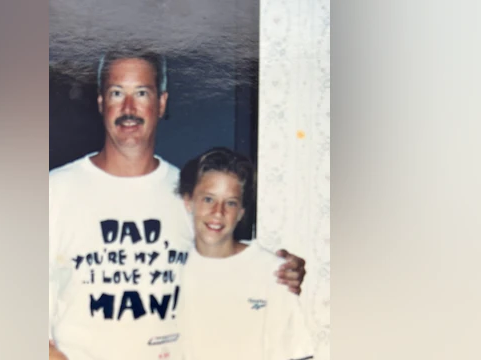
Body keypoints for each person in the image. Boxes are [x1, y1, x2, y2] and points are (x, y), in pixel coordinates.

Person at [49, 46, 307, 360]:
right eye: (117, 93)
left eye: (142, 93)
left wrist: (279, 271)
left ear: (161, 103)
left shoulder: (191, 196)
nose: (129, 107)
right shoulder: (55, 190)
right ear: (102, 103)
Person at [177, 147, 314, 360]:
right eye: (208, 199)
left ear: (241, 212)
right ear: (188, 201)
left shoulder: (273, 273)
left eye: (230, 203)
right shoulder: (170, 269)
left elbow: (296, 353)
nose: (218, 212)